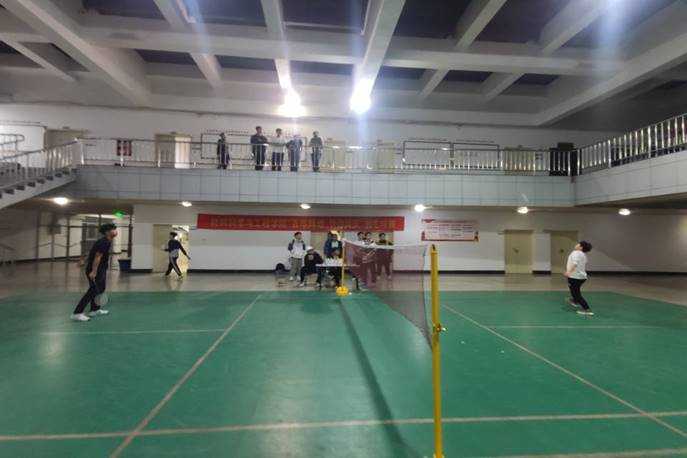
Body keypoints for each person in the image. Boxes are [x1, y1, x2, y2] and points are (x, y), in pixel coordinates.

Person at [71, 223, 117, 322]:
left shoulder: (106, 241)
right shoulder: (103, 242)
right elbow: (97, 257)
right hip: (96, 269)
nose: (115, 231)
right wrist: (94, 272)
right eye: (113, 229)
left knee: (100, 289)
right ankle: (77, 313)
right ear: (107, 232)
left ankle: (94, 310)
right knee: (93, 291)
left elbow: (93, 252)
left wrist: (84, 260)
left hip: (101, 269)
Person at [565, 241, 594, 316]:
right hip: (582, 277)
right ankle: (575, 301)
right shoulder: (583, 254)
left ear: (581, 247)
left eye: (578, 244)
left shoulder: (575, 253)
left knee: (576, 294)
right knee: (576, 291)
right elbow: (586, 263)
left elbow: (575, 263)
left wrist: (568, 272)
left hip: (575, 277)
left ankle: (587, 309)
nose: (576, 245)